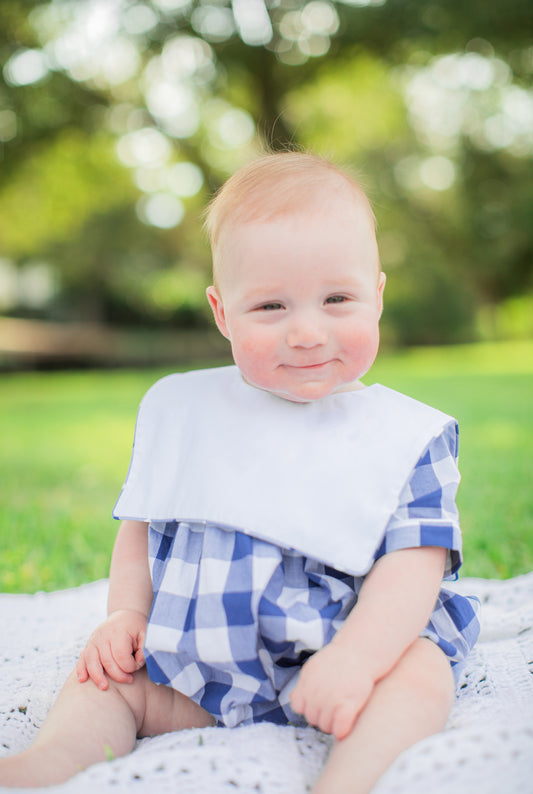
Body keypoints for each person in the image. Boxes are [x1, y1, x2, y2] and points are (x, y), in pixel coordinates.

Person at [0, 152, 480, 793]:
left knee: (421, 671)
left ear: (378, 295)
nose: (307, 332)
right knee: (108, 679)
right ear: (223, 312)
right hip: (202, 668)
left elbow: (413, 565)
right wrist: (125, 615)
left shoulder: (404, 435)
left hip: (349, 656)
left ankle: (350, 781)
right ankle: (53, 762)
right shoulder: (185, 412)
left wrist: (356, 660)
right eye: (271, 307)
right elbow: (143, 522)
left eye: (338, 298)